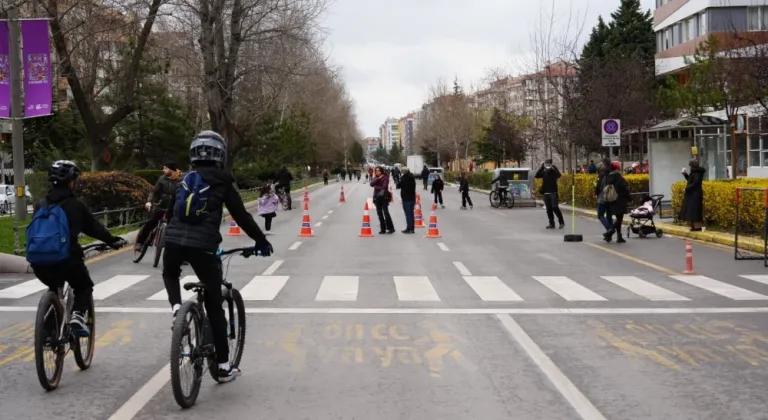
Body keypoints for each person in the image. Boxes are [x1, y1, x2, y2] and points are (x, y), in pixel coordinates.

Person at [162, 130, 273, 381]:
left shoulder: (185, 179)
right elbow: (241, 216)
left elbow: (170, 214)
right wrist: (261, 241)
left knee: (170, 271)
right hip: (204, 247)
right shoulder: (223, 181)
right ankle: (223, 367)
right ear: (219, 155)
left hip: (173, 243)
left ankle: (177, 308)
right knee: (214, 307)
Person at [25, 160, 126, 337]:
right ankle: (77, 317)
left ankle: (48, 332)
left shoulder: (41, 205)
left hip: (39, 262)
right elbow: (94, 228)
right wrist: (112, 241)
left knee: (54, 287)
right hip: (67, 260)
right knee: (84, 287)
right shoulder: (76, 205)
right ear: (72, 181)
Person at [134, 162, 181, 252]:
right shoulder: (162, 179)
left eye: (165, 168)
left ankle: (178, 255)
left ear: (171, 169)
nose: (163, 170)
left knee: (176, 230)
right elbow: (154, 192)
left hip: (174, 208)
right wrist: (149, 201)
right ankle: (140, 243)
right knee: (150, 222)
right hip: (161, 205)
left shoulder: (181, 179)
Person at [603, 162, 631, 243]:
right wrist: (629, 198)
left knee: (618, 218)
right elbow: (625, 189)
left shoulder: (609, 178)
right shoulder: (619, 178)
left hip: (612, 200)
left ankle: (618, 236)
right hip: (620, 200)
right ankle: (610, 232)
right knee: (619, 219)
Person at [536, 159, 565, 229]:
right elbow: (537, 176)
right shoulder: (544, 171)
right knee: (548, 209)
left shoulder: (553, 170)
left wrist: (554, 168)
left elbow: (559, 175)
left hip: (553, 192)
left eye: (549, 164)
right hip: (546, 193)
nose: (548, 166)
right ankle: (551, 223)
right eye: (546, 164)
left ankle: (561, 222)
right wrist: (541, 167)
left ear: (551, 164)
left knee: (555, 207)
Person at [680, 158, 705, 232]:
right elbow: (690, 180)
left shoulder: (697, 173)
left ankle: (697, 227)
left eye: (690, 165)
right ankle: (694, 227)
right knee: (691, 210)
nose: (690, 167)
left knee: (694, 211)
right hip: (693, 194)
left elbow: (695, 183)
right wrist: (685, 174)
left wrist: (686, 188)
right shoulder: (694, 172)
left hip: (695, 194)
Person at [370, 166, 395, 234]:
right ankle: (383, 228)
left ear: (381, 171)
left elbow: (384, 187)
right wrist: (378, 179)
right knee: (379, 214)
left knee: (386, 213)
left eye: (378, 170)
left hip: (384, 197)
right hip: (377, 198)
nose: (377, 172)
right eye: (376, 171)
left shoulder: (385, 178)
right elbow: (371, 184)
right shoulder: (376, 177)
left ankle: (391, 228)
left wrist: (377, 186)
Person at [594, 158, 613, 234]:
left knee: (600, 215)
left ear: (604, 165)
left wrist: (596, 193)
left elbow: (598, 186)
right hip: (611, 198)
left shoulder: (602, 174)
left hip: (602, 198)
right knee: (609, 215)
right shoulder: (612, 173)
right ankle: (610, 233)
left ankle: (609, 228)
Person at [397, 166, 416, 233]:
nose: (401, 172)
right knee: (411, 213)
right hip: (412, 197)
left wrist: (399, 182)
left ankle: (409, 228)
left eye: (402, 171)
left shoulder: (404, 178)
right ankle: (412, 228)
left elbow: (399, 185)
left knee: (408, 214)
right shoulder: (412, 177)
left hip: (406, 198)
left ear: (404, 171)